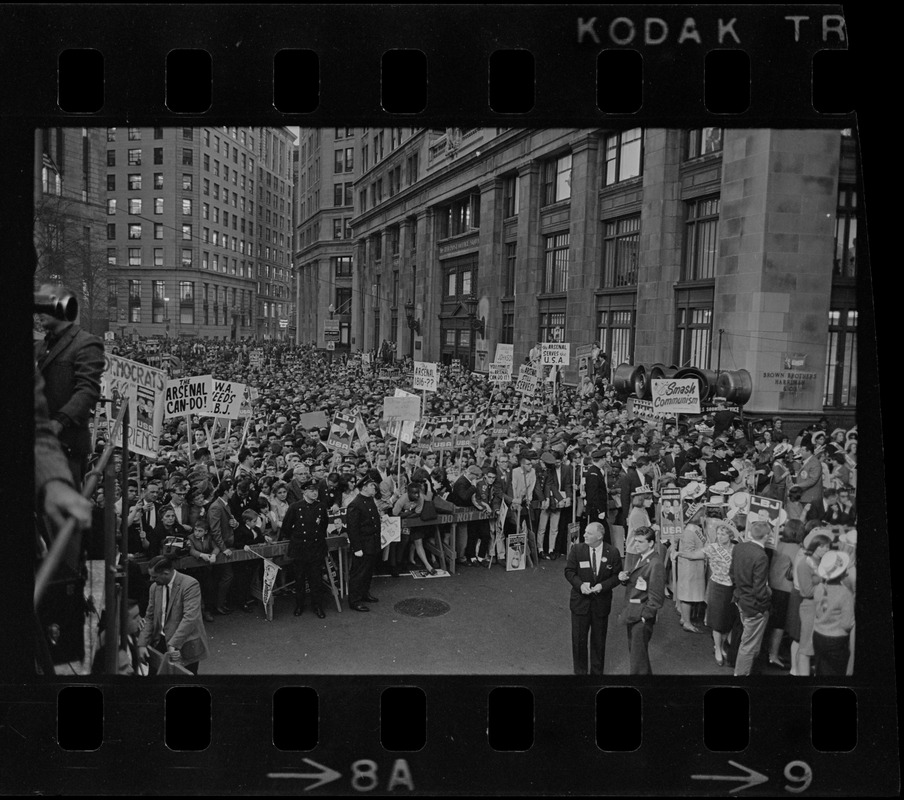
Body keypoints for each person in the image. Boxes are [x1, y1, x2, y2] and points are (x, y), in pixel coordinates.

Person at [34, 284, 105, 487]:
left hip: (66, 445)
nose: (39, 314)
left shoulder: (86, 343)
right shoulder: (39, 347)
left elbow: (87, 390)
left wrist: (60, 421)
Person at [564, 522, 623, 675]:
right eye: (585, 532)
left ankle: (597, 675)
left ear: (599, 536)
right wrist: (580, 585)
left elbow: (617, 576)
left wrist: (603, 586)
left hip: (600, 605)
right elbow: (569, 571)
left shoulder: (613, 552)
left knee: (599, 642)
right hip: (580, 604)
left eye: (588, 533)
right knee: (579, 642)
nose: (584, 535)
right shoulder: (577, 550)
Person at [137, 555, 210, 675]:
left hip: (184, 644)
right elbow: (149, 617)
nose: (151, 579)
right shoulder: (154, 588)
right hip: (160, 641)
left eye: (154, 577)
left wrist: (173, 644)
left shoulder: (190, 585)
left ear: (166, 573)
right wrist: (142, 644)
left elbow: (190, 618)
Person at [617, 527, 665, 675]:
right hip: (633, 613)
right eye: (635, 541)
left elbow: (656, 597)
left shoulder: (655, 563)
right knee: (638, 657)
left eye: (640, 542)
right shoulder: (642, 557)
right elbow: (638, 580)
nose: (636, 545)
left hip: (640, 617)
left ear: (651, 543)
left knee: (638, 663)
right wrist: (626, 578)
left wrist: (645, 616)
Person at [729, 520, 773, 676]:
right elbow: (759, 589)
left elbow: (732, 574)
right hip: (753, 606)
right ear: (767, 536)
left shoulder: (739, 547)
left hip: (740, 600)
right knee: (748, 646)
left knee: (749, 643)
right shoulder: (761, 556)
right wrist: (764, 606)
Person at [282, 478, 329, 618]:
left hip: (315, 547)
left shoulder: (320, 507)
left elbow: (323, 526)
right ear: (304, 491)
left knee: (316, 579)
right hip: (300, 548)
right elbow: (286, 528)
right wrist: (297, 539)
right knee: (300, 579)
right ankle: (299, 605)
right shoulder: (295, 507)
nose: (315, 493)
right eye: (311, 491)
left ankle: (317, 606)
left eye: (316, 491)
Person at [794, 532, 832, 677]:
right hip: (809, 607)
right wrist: (827, 585)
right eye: (823, 547)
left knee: (812, 646)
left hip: (818, 606)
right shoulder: (805, 563)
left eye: (828, 547)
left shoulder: (818, 561)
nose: (826, 550)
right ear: (815, 546)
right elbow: (806, 591)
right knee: (806, 647)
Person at [812, 550, 855, 676]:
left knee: (820, 671)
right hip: (836, 641)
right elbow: (847, 624)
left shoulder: (819, 588)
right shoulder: (845, 594)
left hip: (818, 636)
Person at [346, 477, 382, 612]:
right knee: (358, 573)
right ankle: (354, 600)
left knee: (368, 572)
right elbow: (352, 528)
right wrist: (357, 548)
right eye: (372, 486)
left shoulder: (370, 500)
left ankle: (364, 594)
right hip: (363, 544)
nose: (374, 488)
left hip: (372, 543)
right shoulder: (355, 504)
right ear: (364, 488)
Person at [673, 522, 707, 633]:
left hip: (694, 566)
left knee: (689, 593)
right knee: (687, 594)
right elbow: (688, 552)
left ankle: (684, 618)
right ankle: (686, 622)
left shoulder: (694, 528)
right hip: (689, 566)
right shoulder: (689, 531)